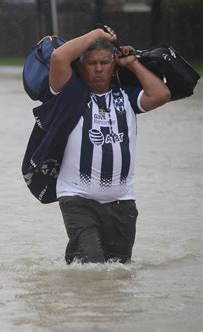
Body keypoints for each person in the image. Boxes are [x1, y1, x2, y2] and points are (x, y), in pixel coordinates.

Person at [48, 25, 171, 263]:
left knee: (118, 268)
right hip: (77, 196)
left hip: (122, 200)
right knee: (93, 263)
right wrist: (98, 34)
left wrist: (131, 62)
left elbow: (161, 94)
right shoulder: (68, 94)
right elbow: (58, 56)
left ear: (113, 64)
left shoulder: (126, 97)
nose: (97, 69)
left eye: (104, 63)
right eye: (91, 63)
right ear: (80, 66)